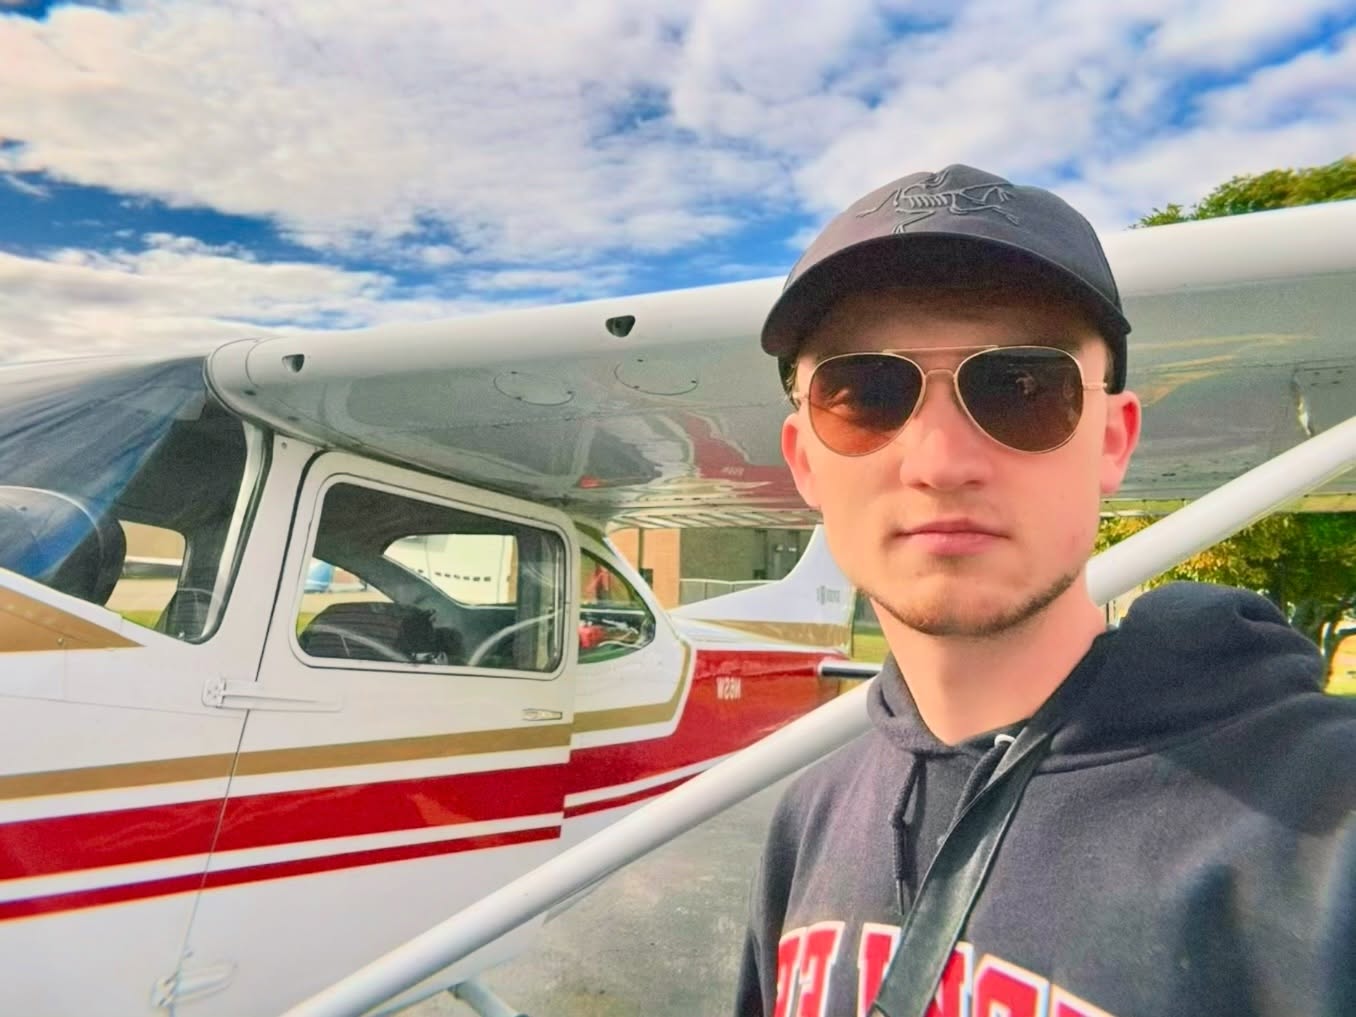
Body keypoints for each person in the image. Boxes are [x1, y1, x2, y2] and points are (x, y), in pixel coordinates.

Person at [734, 164, 1356, 1017]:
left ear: (1111, 438)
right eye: (868, 393)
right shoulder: (808, 819)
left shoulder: (1329, 834)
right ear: (804, 458)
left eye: (1023, 387)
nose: (941, 463)